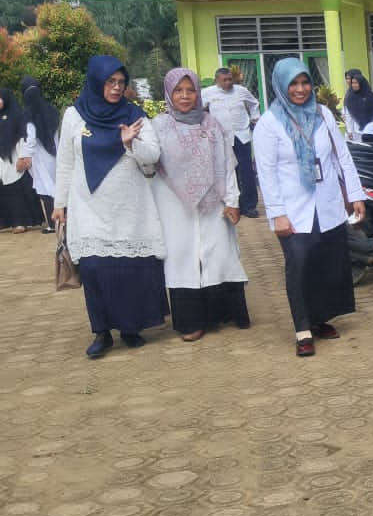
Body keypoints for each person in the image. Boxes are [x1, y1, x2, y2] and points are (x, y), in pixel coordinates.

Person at [53, 56, 169, 358]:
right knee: (93, 269)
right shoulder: (73, 116)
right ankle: (101, 332)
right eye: (110, 82)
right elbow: (65, 161)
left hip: (128, 205)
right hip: (87, 205)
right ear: (95, 81)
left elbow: (153, 155)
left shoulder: (133, 114)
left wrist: (130, 144)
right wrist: (59, 203)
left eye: (121, 82)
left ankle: (130, 328)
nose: (117, 88)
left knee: (127, 269)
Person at [253, 57, 368, 357]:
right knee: (300, 266)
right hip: (293, 209)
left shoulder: (323, 114)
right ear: (280, 85)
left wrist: (356, 194)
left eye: (305, 82)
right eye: (293, 84)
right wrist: (277, 213)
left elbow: (342, 157)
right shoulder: (268, 124)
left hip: (327, 203)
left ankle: (321, 319)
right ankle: (303, 328)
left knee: (326, 263)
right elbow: (266, 173)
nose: (301, 89)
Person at [150, 68, 251, 341]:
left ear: (198, 92)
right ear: (169, 93)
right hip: (173, 204)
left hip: (213, 202)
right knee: (182, 259)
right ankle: (191, 321)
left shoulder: (211, 124)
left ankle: (222, 314)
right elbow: (148, 159)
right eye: (178, 91)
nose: (185, 96)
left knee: (218, 253)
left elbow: (227, 162)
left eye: (190, 90)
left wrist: (232, 199)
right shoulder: (158, 125)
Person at [203, 67, 262, 218]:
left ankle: (249, 206)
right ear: (217, 81)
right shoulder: (208, 93)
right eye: (225, 80)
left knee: (246, 171)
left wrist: (255, 119)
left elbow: (254, 103)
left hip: (241, 136)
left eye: (230, 79)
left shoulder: (241, 91)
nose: (228, 82)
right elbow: (199, 109)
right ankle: (231, 204)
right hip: (221, 138)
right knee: (228, 172)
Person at [20, 76, 60, 232]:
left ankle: (52, 224)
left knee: (45, 189)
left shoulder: (28, 113)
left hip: (39, 156)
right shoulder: (52, 110)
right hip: (54, 154)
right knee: (56, 187)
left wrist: (26, 156)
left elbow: (30, 138)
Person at [0, 89, 42, 233]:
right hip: (1, 160)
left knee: (16, 191)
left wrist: (22, 157)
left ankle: (21, 222)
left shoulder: (17, 115)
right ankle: (5, 222)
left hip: (14, 158)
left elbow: (23, 136)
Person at [341, 68, 373, 144]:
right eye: (352, 82)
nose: (353, 84)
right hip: (356, 131)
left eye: (356, 83)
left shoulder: (370, 96)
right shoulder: (350, 97)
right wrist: (349, 130)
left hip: (371, 128)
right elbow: (348, 115)